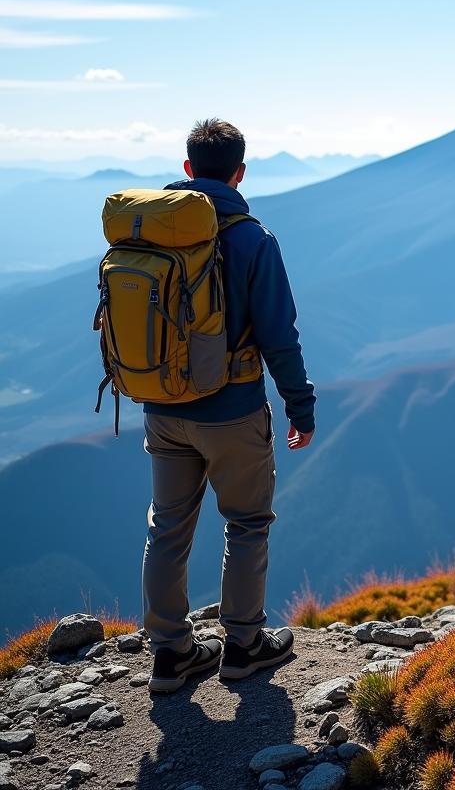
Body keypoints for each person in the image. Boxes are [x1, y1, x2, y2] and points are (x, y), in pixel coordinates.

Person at [142, 118, 316, 693]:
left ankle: (170, 655)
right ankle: (242, 646)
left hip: (163, 407)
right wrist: (300, 405)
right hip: (233, 411)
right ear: (241, 172)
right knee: (245, 524)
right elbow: (279, 334)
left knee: (168, 528)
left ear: (188, 169)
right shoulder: (252, 239)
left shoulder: (151, 232)